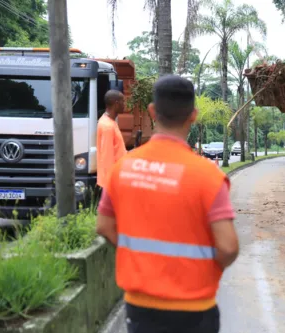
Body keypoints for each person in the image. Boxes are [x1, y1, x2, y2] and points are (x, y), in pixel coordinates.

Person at [96, 75, 239, 333]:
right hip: (195, 308)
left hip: (140, 308)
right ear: (193, 115)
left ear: (152, 112)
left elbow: (104, 226)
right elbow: (228, 247)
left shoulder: (123, 168)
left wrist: (140, 258)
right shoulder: (208, 175)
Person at [96, 90, 127, 190]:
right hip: (111, 183)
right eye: (123, 101)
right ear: (116, 104)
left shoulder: (110, 122)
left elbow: (117, 151)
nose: (125, 104)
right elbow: (106, 158)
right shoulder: (107, 126)